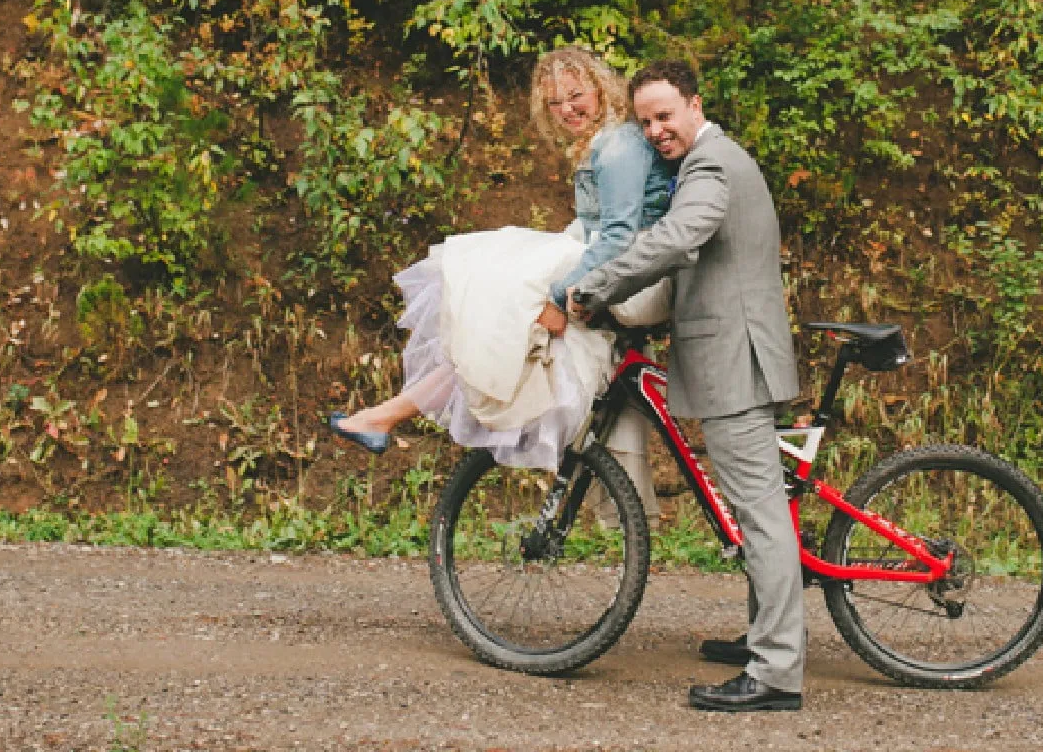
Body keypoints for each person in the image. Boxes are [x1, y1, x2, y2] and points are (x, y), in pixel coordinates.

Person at [328, 48, 673, 497]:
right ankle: (385, 416)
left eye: (575, 95)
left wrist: (558, 291)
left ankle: (386, 415)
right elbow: (595, 228)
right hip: (619, 266)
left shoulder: (619, 144)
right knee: (497, 324)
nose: (567, 109)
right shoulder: (600, 143)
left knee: (497, 304)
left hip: (637, 274)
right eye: (555, 103)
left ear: (600, 88)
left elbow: (618, 236)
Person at [569, 59, 805, 714]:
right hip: (737, 354)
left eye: (665, 115)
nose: (655, 130)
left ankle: (778, 673)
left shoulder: (711, 166)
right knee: (764, 511)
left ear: (694, 105)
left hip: (736, 359)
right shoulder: (710, 160)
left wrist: (597, 285)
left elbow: (678, 236)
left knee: (759, 516)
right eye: (644, 121)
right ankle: (768, 636)